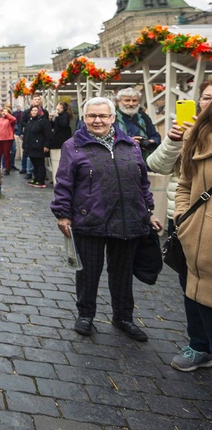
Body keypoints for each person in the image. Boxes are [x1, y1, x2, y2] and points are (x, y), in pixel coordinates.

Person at [51, 96, 162, 341]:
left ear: (112, 118)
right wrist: (63, 214)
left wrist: (149, 211)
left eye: (103, 115)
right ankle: (86, 315)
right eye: (92, 116)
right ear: (84, 118)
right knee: (89, 272)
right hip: (90, 219)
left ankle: (123, 317)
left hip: (127, 219)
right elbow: (64, 183)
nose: (97, 120)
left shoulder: (130, 145)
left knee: (122, 273)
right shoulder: (74, 146)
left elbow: (142, 183)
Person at [147, 81, 212, 371]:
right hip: (187, 224)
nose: (209, 104)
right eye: (207, 98)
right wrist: (173, 140)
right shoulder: (191, 134)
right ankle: (198, 346)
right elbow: (160, 168)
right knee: (190, 284)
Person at [173, 85, 212, 375]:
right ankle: (198, 347)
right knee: (193, 292)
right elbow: (185, 182)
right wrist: (183, 218)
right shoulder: (197, 135)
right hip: (196, 235)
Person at [115, 87, 161, 160]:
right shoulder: (112, 118)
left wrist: (150, 141)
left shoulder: (143, 117)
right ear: (118, 102)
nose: (131, 104)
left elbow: (155, 136)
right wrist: (128, 141)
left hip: (142, 159)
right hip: (120, 159)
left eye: (134, 100)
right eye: (127, 100)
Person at [18, 95, 48, 178]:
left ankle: (40, 174)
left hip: (39, 137)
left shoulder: (44, 111)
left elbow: (47, 125)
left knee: (39, 158)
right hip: (29, 135)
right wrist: (27, 127)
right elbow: (21, 122)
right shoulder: (27, 112)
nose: (37, 101)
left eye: (38, 99)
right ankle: (28, 170)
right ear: (31, 101)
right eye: (35, 99)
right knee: (28, 155)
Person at [22, 105, 50, 188]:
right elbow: (27, 133)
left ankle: (41, 180)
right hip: (31, 146)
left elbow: (48, 134)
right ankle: (36, 178)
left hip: (39, 146)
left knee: (39, 163)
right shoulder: (31, 121)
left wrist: (46, 145)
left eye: (35, 110)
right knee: (34, 162)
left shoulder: (43, 121)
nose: (34, 112)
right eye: (32, 110)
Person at [48, 101, 74, 186]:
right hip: (57, 139)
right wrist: (51, 120)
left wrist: (57, 117)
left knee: (60, 159)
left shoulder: (65, 116)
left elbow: (63, 125)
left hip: (61, 140)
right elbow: (55, 126)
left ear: (62, 108)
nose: (57, 108)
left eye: (58, 107)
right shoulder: (60, 116)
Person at [0, 107, 16, 175]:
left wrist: (6, 114)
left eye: (5, 112)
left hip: (7, 139)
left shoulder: (10, 120)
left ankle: (7, 168)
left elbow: (14, 119)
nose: (3, 113)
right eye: (2, 112)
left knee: (6, 154)